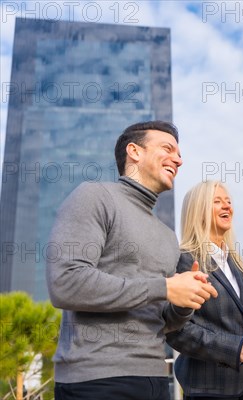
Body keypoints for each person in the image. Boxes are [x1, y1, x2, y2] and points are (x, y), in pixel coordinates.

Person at [47, 121, 218, 400]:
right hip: (95, 380)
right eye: (168, 148)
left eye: (179, 153)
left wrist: (184, 303)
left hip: (154, 379)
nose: (179, 159)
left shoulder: (167, 235)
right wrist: (164, 287)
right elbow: (66, 282)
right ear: (134, 151)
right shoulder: (94, 197)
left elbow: (161, 320)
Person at [166, 181, 243, 400]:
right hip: (209, 389)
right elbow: (178, 331)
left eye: (229, 202)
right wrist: (234, 348)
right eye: (217, 202)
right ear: (199, 210)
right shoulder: (185, 261)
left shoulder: (235, 264)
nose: (227, 207)